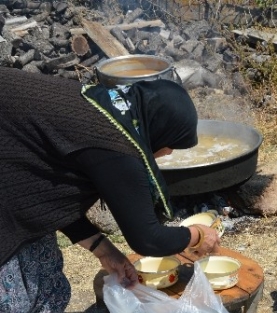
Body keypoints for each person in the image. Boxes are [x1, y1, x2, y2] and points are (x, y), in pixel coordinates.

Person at [0, 66, 220, 312]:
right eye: (171, 145)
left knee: (44, 286)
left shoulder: (107, 106)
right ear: (159, 130)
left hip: (14, 192)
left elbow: (46, 192)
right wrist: (198, 234)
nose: (168, 153)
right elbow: (149, 240)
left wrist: (104, 250)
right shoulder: (116, 146)